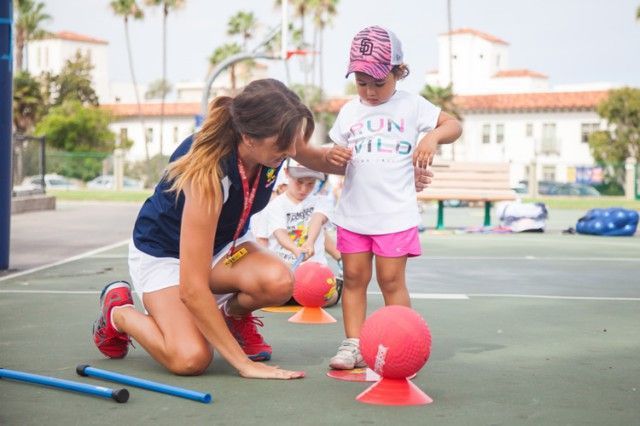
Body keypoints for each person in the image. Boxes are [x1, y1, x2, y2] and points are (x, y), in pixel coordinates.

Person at [91, 79, 344, 379]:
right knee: (191, 359)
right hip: (166, 257)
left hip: (226, 245)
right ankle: (118, 314)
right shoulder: (209, 173)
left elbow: (319, 158)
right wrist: (244, 364)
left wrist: (393, 166)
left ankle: (229, 316)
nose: (291, 152)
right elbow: (192, 287)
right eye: (283, 146)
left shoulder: (276, 141)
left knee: (278, 282)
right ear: (249, 137)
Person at [325, 26, 463, 369]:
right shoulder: (348, 112)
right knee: (354, 279)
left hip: (394, 215)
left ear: (398, 72)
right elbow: (337, 152)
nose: (369, 91)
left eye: (378, 82)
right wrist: (335, 157)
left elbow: (454, 125)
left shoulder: (412, 104)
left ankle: (401, 343)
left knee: (390, 280)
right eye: (361, 82)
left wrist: (431, 138)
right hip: (354, 213)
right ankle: (354, 344)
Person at [261, 159, 342, 306]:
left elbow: (317, 220)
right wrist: (295, 249)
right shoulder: (276, 205)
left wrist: (310, 242)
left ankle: (304, 295)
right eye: (299, 182)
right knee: (272, 294)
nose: (304, 189)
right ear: (286, 173)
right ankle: (294, 296)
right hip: (285, 272)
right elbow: (280, 233)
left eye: (310, 183)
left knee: (331, 298)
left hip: (313, 272)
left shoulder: (320, 201)